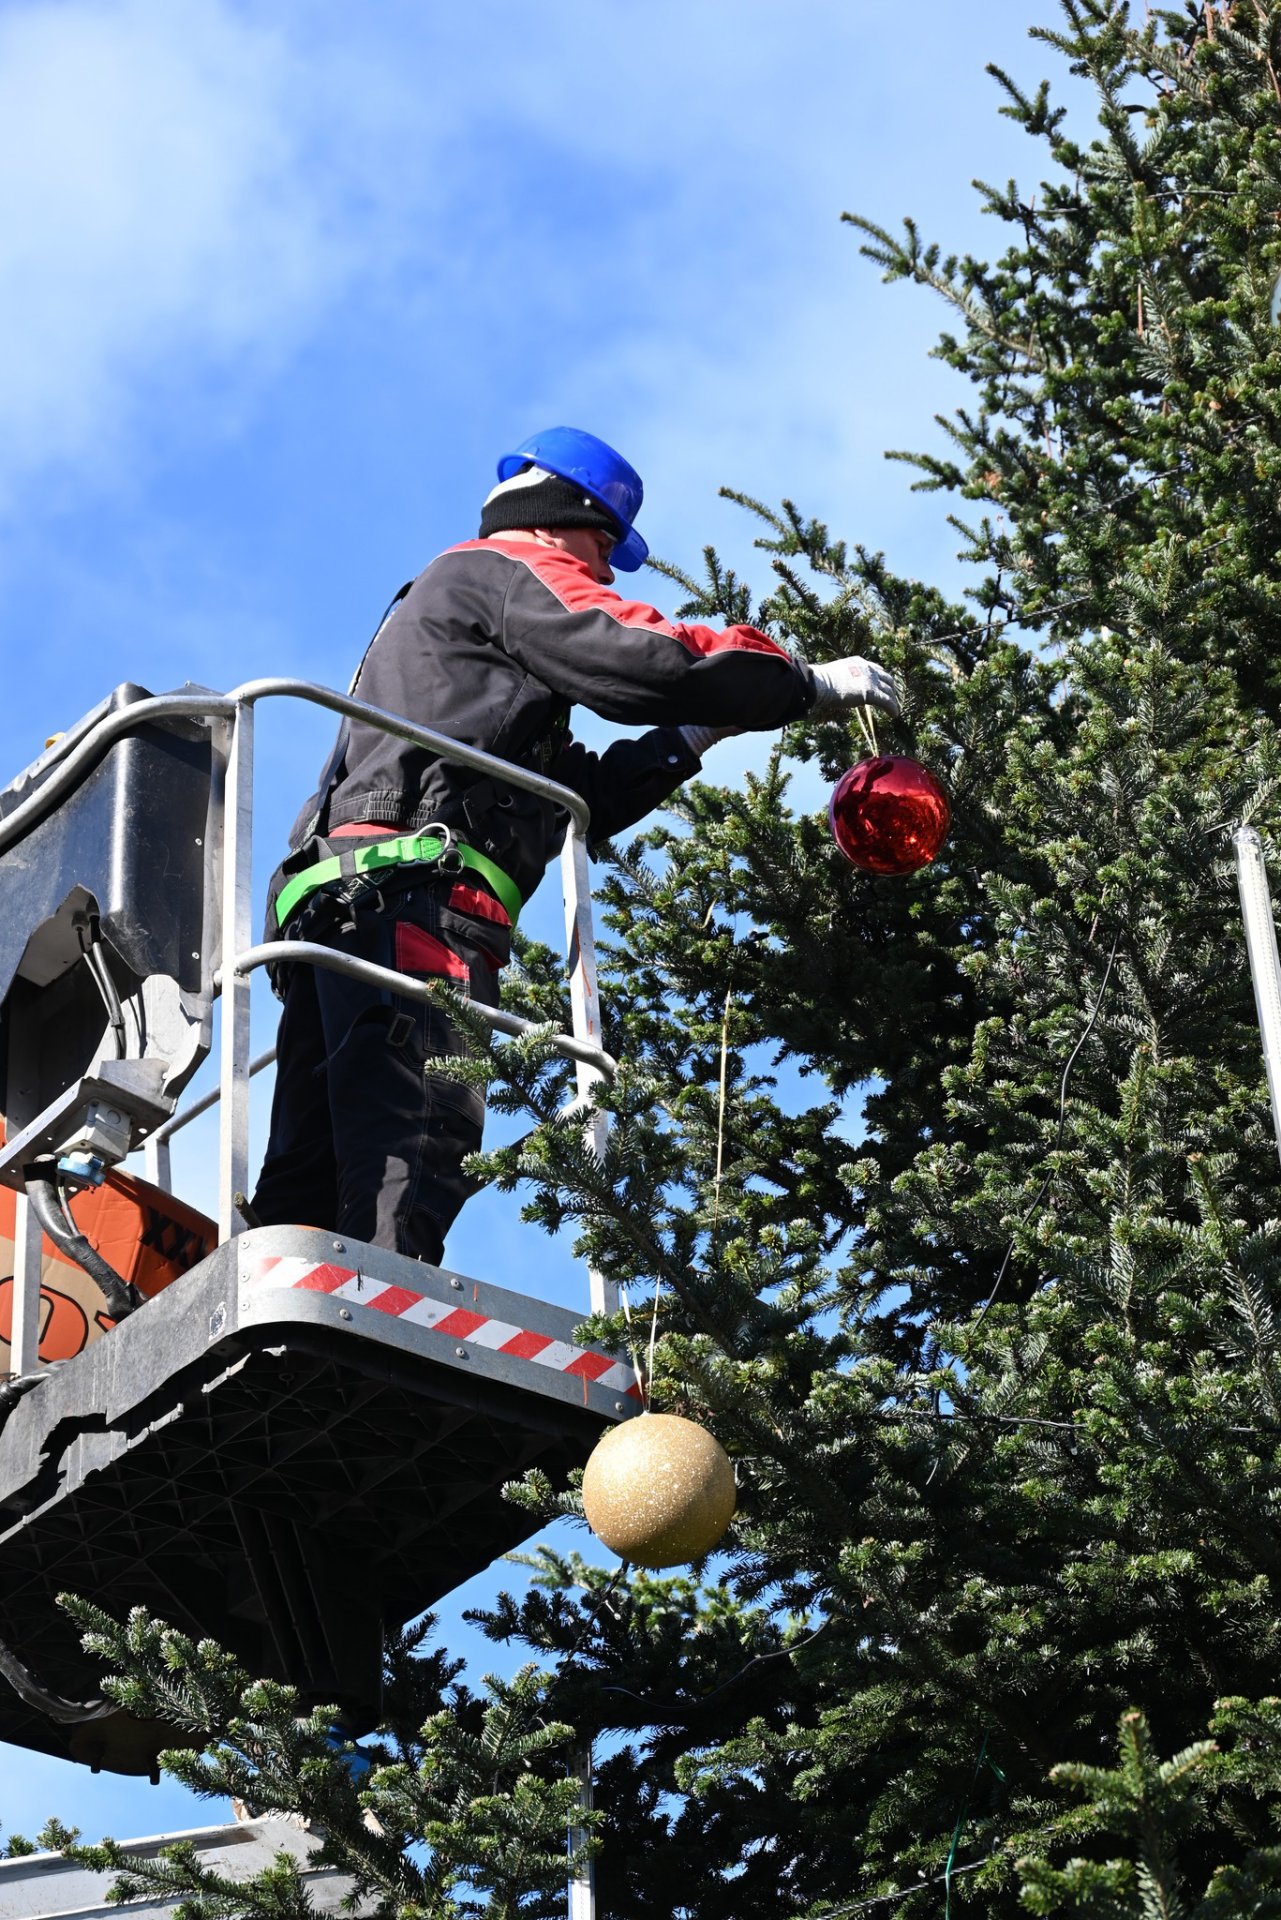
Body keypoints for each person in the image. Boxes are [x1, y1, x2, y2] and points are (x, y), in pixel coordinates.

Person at [250, 427, 899, 1264]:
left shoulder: (450, 646)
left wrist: (698, 732)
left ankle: (288, 1326)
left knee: (317, 1159)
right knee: (412, 1133)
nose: (599, 571)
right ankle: (380, 1332)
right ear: (566, 516)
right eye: (601, 549)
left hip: (342, 906)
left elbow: (566, 801)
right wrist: (794, 682)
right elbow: (640, 655)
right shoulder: (502, 571)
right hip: (414, 900)